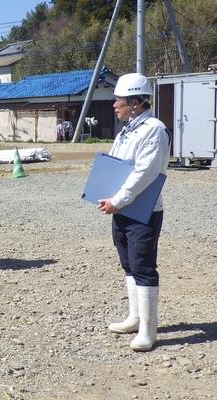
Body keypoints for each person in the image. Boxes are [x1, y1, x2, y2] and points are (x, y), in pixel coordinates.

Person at [98, 72, 170, 352]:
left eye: (119, 100)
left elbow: (145, 173)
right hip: (122, 207)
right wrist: (105, 192)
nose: (114, 104)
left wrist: (119, 199)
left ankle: (148, 330)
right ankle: (135, 318)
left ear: (136, 102)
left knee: (142, 265)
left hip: (143, 209)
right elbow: (116, 165)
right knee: (128, 263)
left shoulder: (154, 129)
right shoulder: (127, 130)